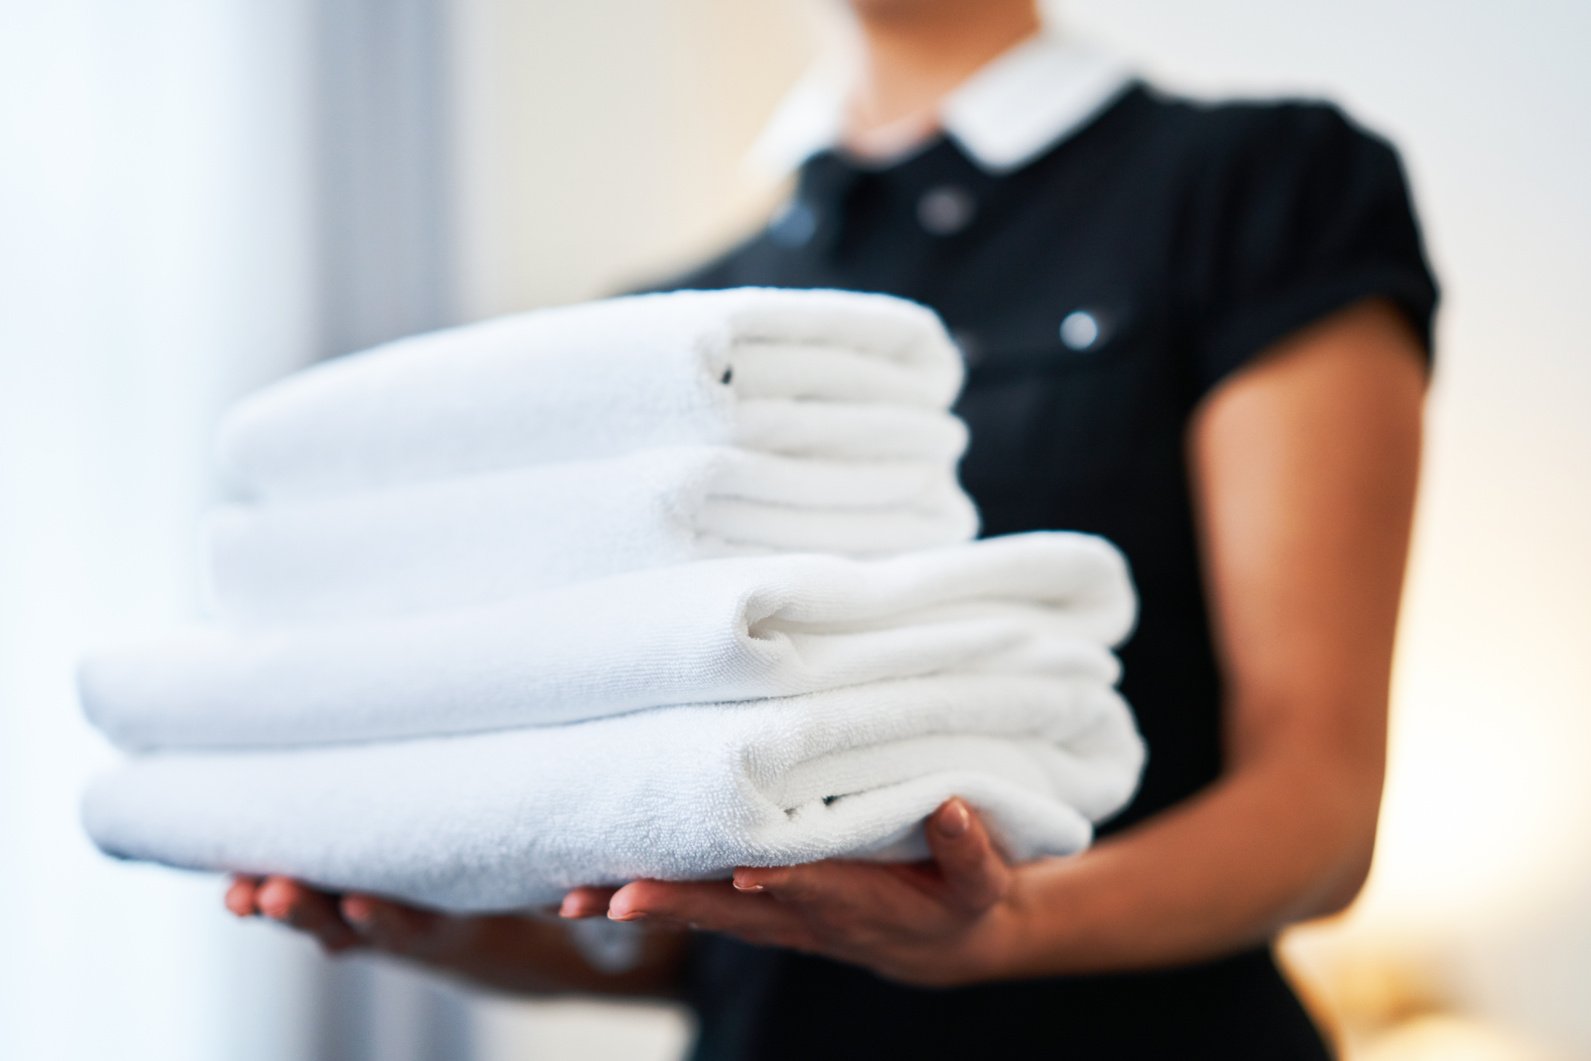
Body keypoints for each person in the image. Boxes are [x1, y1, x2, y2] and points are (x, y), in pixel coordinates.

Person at [225, 0, 1438, 1055]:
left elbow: (1317, 810)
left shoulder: (1259, 185)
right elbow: (715, 909)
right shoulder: (664, 334)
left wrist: (1010, 925)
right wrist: (463, 926)